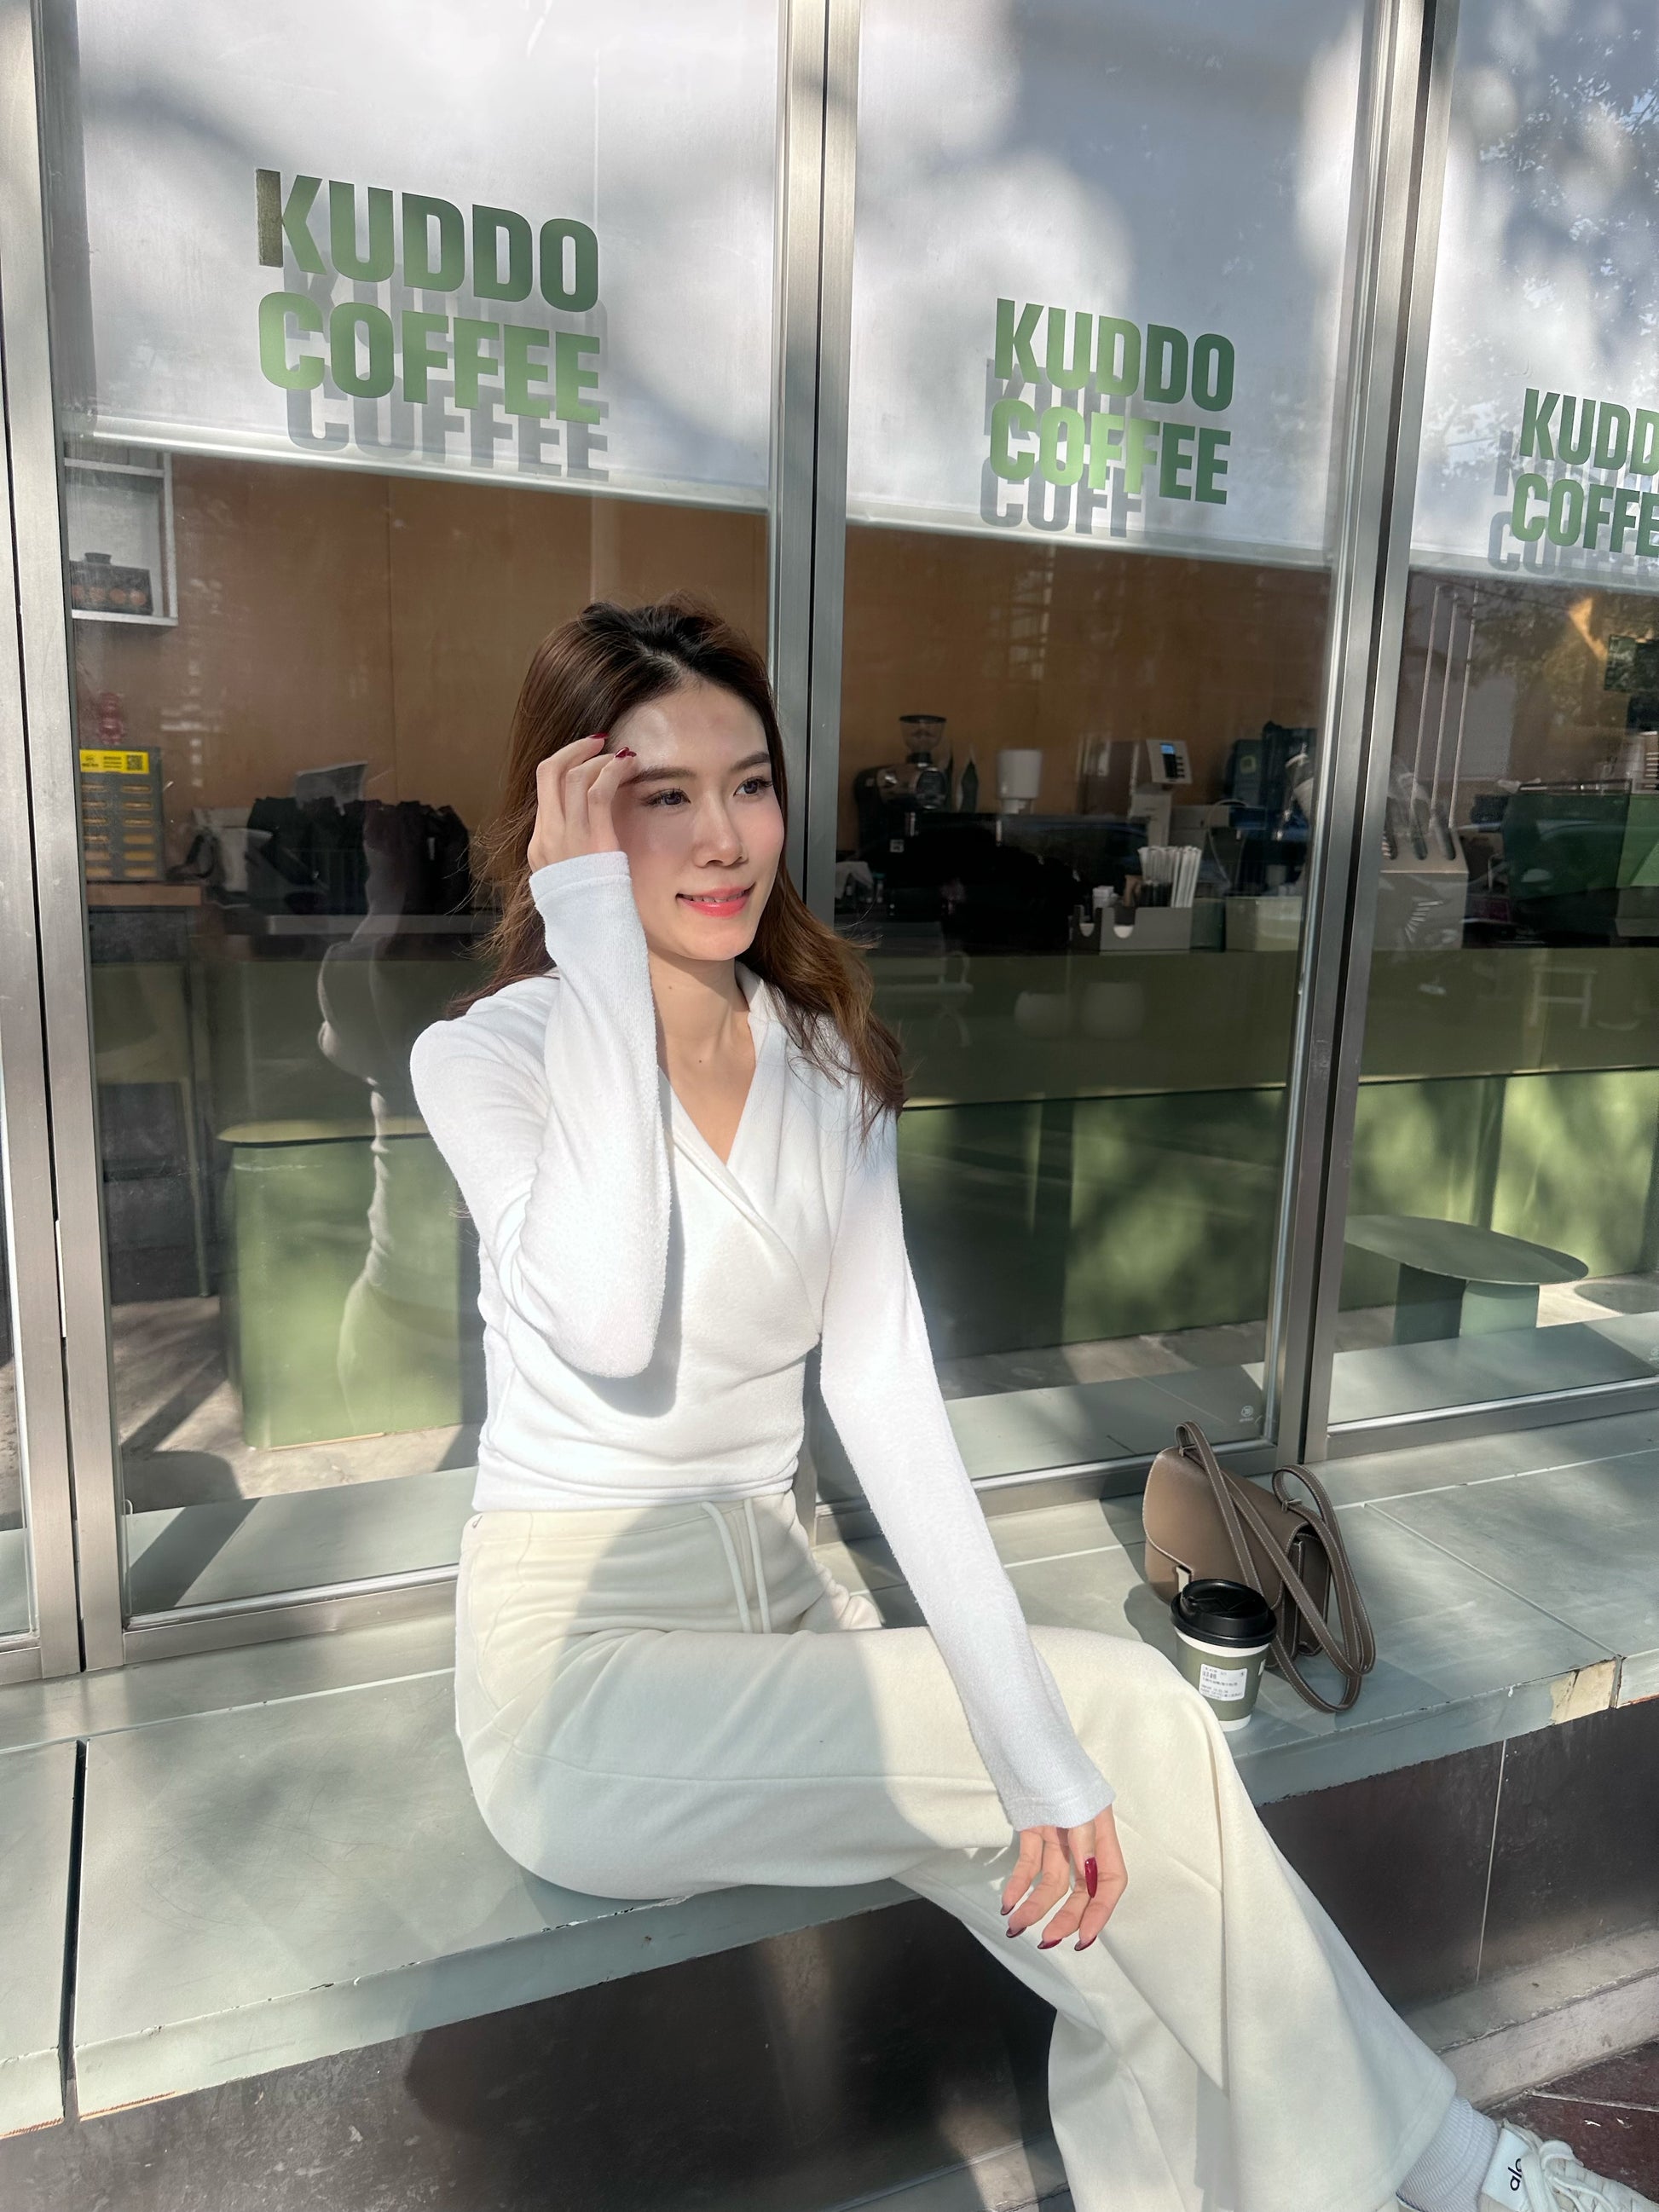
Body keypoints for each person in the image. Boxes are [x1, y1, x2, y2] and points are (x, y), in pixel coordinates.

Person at [409, 595, 1650, 2212]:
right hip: (588, 1681)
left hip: (798, 1613)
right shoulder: (487, 1060)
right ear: (570, 815)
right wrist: (586, 940)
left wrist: (1020, 1741)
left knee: (1131, 1949)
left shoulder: (817, 1055)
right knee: (1129, 1720)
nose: (724, 839)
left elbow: (886, 1402)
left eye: (751, 784)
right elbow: (604, 1312)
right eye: (661, 796)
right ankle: (1459, 2171)